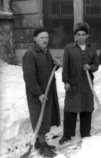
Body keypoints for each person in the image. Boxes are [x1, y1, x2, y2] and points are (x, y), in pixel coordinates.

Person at [22, 27, 62, 157]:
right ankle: (43, 147)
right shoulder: (30, 53)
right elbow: (29, 78)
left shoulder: (45, 51)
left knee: (45, 117)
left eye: (46, 38)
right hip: (37, 93)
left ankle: (40, 143)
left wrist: (55, 64)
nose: (45, 40)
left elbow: (47, 70)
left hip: (47, 89)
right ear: (35, 39)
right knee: (39, 117)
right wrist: (39, 93)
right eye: (42, 38)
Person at [59, 22, 99, 144]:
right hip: (73, 83)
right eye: (78, 34)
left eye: (83, 34)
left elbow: (96, 65)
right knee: (70, 108)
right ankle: (67, 134)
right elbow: (65, 66)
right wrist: (66, 81)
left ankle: (85, 133)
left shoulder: (92, 48)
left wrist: (90, 67)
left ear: (87, 35)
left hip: (87, 83)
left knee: (86, 108)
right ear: (75, 36)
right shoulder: (69, 48)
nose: (81, 37)